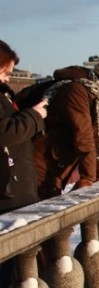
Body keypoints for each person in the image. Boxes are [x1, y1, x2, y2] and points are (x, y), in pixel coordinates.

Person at [34, 53, 99, 199]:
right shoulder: (76, 91)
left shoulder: (93, 96)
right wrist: (88, 178)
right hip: (42, 165)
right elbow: (84, 136)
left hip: (55, 165)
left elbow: (97, 140)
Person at [0, 40, 47, 214]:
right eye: (5, 73)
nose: (8, 79)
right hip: (9, 194)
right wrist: (35, 115)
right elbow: (5, 132)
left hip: (16, 188)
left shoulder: (5, 94)